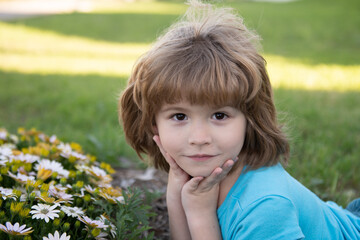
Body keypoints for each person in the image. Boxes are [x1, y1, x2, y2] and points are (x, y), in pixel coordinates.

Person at [119, 0, 360, 239]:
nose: (199, 138)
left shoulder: (264, 208)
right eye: (179, 116)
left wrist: (201, 215)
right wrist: (178, 193)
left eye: (219, 115)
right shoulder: (199, 176)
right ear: (154, 124)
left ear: (250, 119)